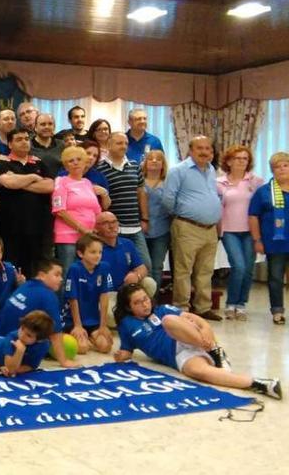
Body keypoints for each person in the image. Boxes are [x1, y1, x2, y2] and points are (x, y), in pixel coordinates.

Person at [113, 284, 282, 400]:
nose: (145, 304)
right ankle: (261, 384)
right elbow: (126, 351)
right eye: (138, 302)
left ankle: (215, 351)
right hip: (178, 356)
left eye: (146, 298)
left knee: (169, 320)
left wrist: (209, 342)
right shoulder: (127, 325)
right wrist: (120, 355)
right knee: (199, 372)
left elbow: (199, 322)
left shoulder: (162, 309)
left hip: (188, 337)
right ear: (128, 307)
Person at [163, 136, 222, 320]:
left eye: (208, 149)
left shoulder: (211, 169)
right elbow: (168, 199)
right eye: (200, 148)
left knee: (206, 271)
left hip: (210, 229)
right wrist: (183, 215)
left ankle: (203, 307)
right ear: (190, 150)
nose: (205, 152)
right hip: (187, 226)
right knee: (183, 271)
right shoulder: (178, 171)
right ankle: (182, 308)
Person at [0, 258, 79, 368]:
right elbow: (55, 333)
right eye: (57, 275)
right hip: (15, 345)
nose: (61, 279)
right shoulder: (48, 296)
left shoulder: (26, 285)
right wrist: (64, 361)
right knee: (74, 344)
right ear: (42, 275)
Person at [0, 128, 54, 276]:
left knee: (36, 269)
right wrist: (34, 177)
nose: (24, 142)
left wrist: (19, 180)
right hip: (10, 228)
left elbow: (49, 186)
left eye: (26, 138)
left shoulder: (39, 163)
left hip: (38, 227)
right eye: (19, 139)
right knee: (12, 269)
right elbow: (8, 183)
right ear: (10, 144)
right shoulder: (0, 163)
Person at [217, 145, 264, 320]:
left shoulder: (256, 181)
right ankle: (231, 303)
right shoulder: (219, 182)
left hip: (251, 231)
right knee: (239, 267)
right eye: (238, 158)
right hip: (229, 231)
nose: (242, 161)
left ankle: (241, 304)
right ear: (229, 161)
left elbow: (262, 207)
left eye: (245, 158)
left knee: (248, 269)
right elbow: (217, 208)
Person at [96, 132, 152, 271]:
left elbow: (141, 193)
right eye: (119, 143)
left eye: (126, 143)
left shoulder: (134, 166)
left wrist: (145, 219)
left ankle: (143, 293)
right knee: (117, 267)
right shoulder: (99, 168)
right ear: (109, 145)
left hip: (135, 226)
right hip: (112, 228)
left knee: (146, 265)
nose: (124, 146)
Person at [248, 152, 289, 325]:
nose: (282, 169)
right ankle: (277, 311)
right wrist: (257, 240)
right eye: (277, 166)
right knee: (276, 278)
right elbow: (253, 216)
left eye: (285, 165)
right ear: (272, 170)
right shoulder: (263, 192)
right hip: (275, 243)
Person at [52, 146, 102, 272]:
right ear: (66, 165)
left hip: (88, 238)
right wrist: (82, 229)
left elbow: (97, 210)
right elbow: (59, 211)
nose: (75, 163)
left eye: (79, 159)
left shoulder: (87, 183)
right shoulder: (61, 181)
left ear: (85, 162)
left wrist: (95, 230)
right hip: (68, 238)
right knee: (67, 275)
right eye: (71, 160)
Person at [63, 235, 114, 354]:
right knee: (82, 348)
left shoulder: (104, 267)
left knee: (105, 347)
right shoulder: (75, 269)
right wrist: (78, 326)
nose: (97, 256)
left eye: (100, 252)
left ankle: (91, 337)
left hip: (93, 319)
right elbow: (72, 299)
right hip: (73, 319)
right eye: (93, 252)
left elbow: (104, 297)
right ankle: (80, 337)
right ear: (81, 254)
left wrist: (103, 326)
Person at [94, 212, 157, 301]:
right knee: (109, 312)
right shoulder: (94, 247)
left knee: (149, 283)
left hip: (127, 289)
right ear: (96, 228)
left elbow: (142, 268)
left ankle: (142, 311)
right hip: (107, 293)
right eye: (106, 223)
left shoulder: (127, 243)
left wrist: (136, 276)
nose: (111, 226)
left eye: (114, 222)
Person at [0, 310, 54, 376]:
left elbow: (31, 366)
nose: (22, 335)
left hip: (3, 362)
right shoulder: (12, 338)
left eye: (29, 335)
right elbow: (10, 370)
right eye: (22, 328)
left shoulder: (44, 345)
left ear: (39, 340)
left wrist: (15, 369)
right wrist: (19, 351)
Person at [142, 150, 171, 294]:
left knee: (157, 266)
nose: (154, 161)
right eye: (150, 159)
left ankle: (153, 299)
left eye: (158, 159)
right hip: (141, 230)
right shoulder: (139, 181)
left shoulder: (168, 183)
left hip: (162, 230)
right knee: (143, 265)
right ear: (145, 163)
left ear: (163, 164)